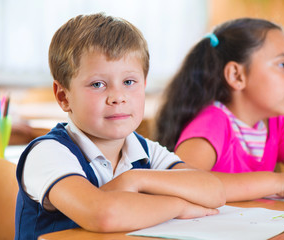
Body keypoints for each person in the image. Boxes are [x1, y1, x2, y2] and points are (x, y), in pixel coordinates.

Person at [14, 13, 225, 240]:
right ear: (64, 96)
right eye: (98, 84)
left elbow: (214, 191)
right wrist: (179, 207)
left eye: (129, 82)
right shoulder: (48, 153)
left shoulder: (144, 151)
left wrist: (136, 179)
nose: (117, 97)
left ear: (143, 85)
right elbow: (103, 215)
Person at [155, 18, 284, 202]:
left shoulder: (275, 126)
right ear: (236, 75)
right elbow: (182, 182)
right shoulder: (212, 122)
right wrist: (278, 183)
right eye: (282, 65)